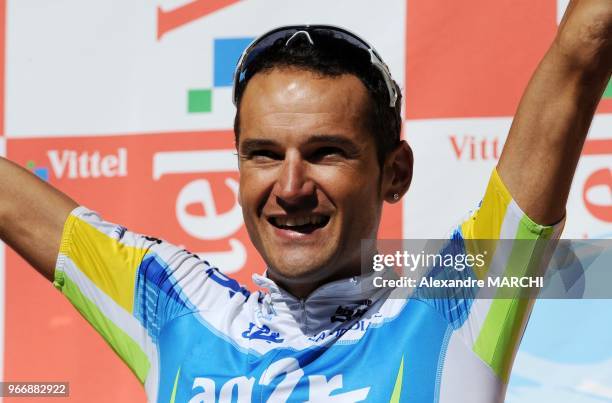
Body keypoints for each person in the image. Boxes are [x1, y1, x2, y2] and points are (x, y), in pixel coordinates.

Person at [0, 1, 610, 402]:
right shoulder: (178, 306)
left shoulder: (453, 299)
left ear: (394, 173)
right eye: (264, 154)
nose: (290, 188)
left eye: (326, 153)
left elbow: (585, 47)